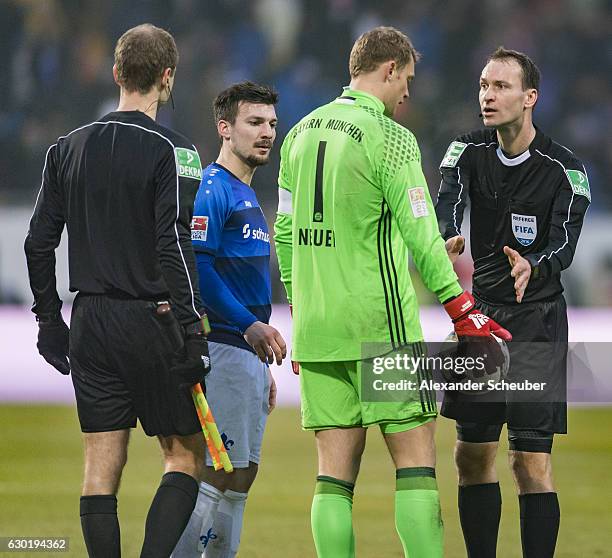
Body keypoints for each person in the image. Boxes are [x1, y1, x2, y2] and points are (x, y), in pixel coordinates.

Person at [274, 26, 510, 558]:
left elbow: (285, 236)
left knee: (332, 478)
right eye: (406, 78)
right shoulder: (392, 138)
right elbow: (423, 236)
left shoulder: (298, 135)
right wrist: (463, 310)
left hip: (317, 327)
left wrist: (299, 305)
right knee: (417, 463)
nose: (408, 92)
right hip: (382, 328)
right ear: (388, 69)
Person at [24, 24, 212, 558]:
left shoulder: (66, 148)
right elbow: (172, 243)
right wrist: (190, 327)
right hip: (152, 320)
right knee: (183, 458)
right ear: (167, 78)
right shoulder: (176, 151)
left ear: (116, 73)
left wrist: (48, 321)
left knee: (100, 465)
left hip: (91, 323)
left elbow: (38, 244)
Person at [436, 47, 590, 558]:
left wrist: (535, 264)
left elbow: (565, 244)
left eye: (501, 86)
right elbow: (449, 197)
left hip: (536, 324)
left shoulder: (564, 170)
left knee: (530, 464)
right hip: (481, 318)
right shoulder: (466, 149)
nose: (487, 94)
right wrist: (446, 233)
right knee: (471, 456)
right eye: (483, 84)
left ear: (530, 98)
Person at [172, 81, 285, 558]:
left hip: (245, 357)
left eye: (272, 124)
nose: (266, 133)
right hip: (223, 347)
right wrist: (248, 326)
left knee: (240, 476)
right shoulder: (214, 189)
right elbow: (199, 269)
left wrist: (256, 364)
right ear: (225, 128)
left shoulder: (245, 193)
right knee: (216, 472)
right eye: (254, 122)